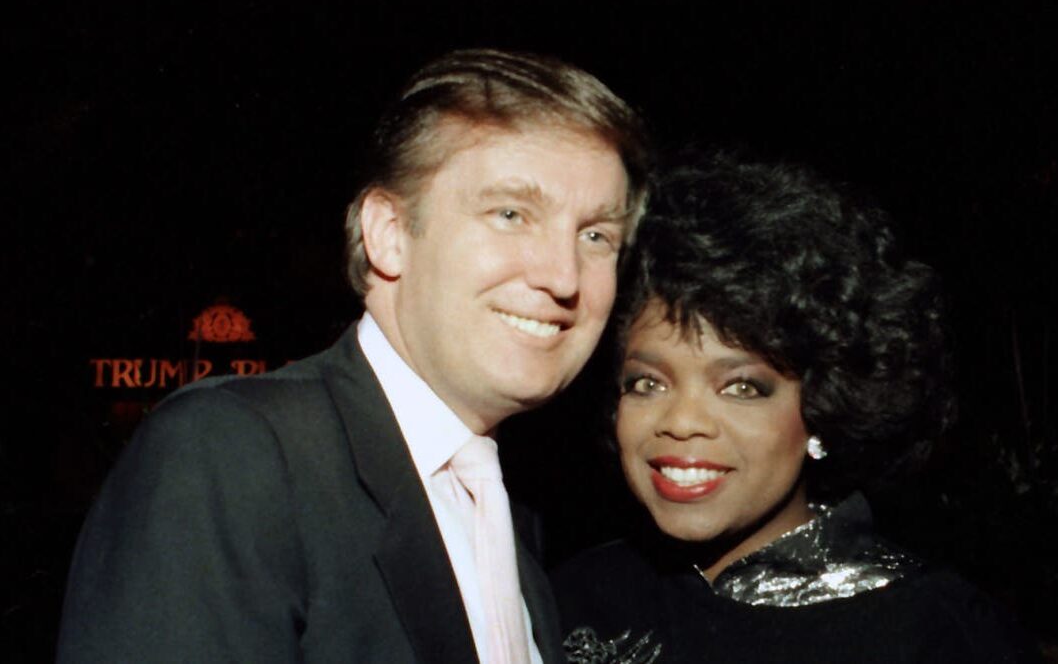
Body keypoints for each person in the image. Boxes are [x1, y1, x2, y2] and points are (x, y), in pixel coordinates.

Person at [57, 48, 649, 663]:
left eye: (595, 235)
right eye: (509, 214)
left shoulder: (508, 511)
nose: (563, 275)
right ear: (389, 235)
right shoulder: (232, 455)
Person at [553, 153, 1040, 663]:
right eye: (647, 382)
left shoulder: (937, 633)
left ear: (825, 407)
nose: (680, 421)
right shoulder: (575, 596)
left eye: (741, 388)